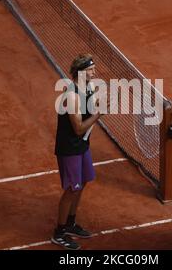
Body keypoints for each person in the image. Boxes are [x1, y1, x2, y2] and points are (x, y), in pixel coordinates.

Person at [52, 53, 103, 250]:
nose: (94, 72)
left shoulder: (88, 87)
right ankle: (59, 232)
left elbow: (91, 107)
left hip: (82, 146)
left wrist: (97, 104)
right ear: (80, 73)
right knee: (72, 189)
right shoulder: (71, 96)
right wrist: (98, 113)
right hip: (69, 149)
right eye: (90, 69)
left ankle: (71, 223)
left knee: (83, 182)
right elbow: (79, 128)